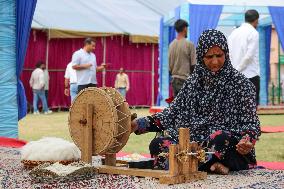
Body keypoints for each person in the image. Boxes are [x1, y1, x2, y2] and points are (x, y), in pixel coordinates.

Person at [131, 30, 260, 175]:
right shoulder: (192, 83)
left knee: (220, 139)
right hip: (194, 145)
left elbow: (251, 124)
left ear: (226, 54)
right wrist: (139, 124)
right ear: (200, 57)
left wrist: (247, 140)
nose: (215, 61)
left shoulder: (241, 84)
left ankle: (183, 165)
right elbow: (171, 114)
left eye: (219, 55)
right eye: (209, 56)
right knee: (158, 144)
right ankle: (208, 166)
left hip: (225, 148)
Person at [228, 10, 260, 105]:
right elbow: (249, 56)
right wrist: (238, 69)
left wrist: (234, 71)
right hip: (250, 76)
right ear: (256, 20)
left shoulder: (233, 33)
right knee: (250, 110)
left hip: (234, 77)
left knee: (236, 108)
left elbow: (228, 54)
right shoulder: (253, 33)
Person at [169, 19, 196, 97]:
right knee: (187, 107)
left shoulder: (171, 45)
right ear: (185, 28)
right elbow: (194, 66)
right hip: (185, 81)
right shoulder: (189, 45)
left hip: (174, 81)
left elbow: (169, 68)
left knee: (177, 107)